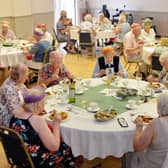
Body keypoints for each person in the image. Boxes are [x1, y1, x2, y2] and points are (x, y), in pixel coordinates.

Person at [9, 86, 83, 168]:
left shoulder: (16, 114)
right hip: (35, 160)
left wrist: (36, 113)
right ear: (37, 105)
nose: (43, 106)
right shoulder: (37, 120)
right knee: (66, 146)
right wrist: (56, 124)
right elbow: (54, 147)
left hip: (17, 155)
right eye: (43, 103)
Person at [132, 93, 168, 168]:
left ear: (160, 107)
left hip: (154, 164)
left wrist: (139, 125)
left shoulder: (156, 123)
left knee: (130, 154)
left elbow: (138, 147)